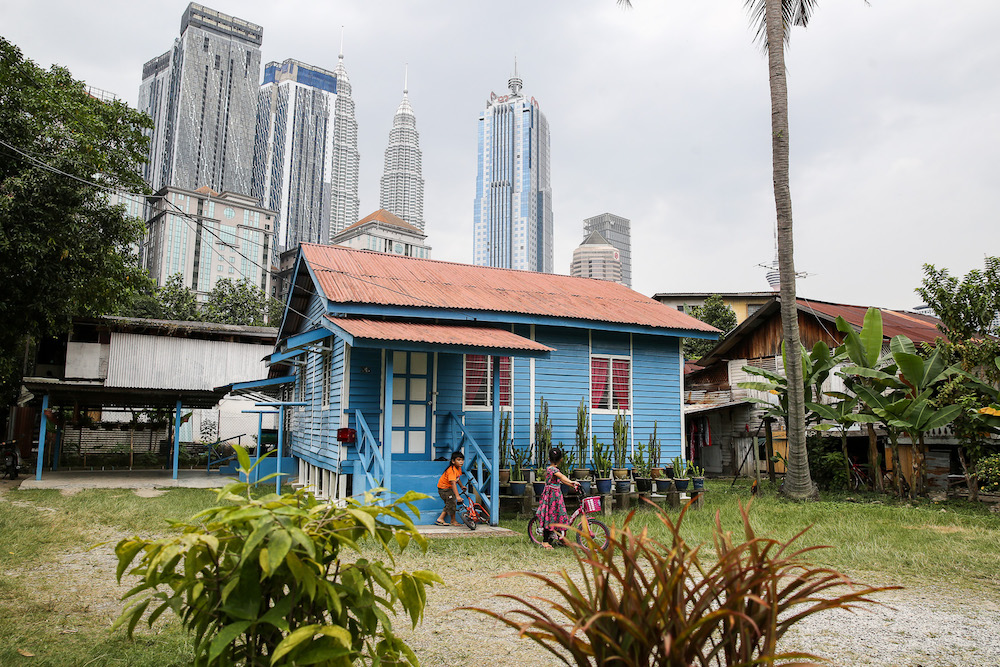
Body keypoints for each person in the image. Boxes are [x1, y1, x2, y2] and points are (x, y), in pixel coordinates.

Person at [535, 447, 581, 548]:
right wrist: (571, 481)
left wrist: (571, 484)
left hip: (556, 497)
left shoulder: (554, 470)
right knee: (550, 517)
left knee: (560, 516)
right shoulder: (551, 469)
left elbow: (562, 480)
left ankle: (561, 538)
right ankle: (545, 541)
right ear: (561, 459)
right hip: (551, 498)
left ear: (549, 458)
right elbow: (562, 477)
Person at [435, 451, 466, 526]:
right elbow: (453, 483)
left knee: (451, 502)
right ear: (453, 461)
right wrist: (458, 496)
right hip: (444, 489)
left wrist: (461, 486)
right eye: (458, 460)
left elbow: (457, 478)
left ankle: (452, 520)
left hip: (448, 489)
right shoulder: (451, 470)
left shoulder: (458, 468)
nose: (461, 462)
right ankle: (441, 519)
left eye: (462, 460)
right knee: (451, 502)